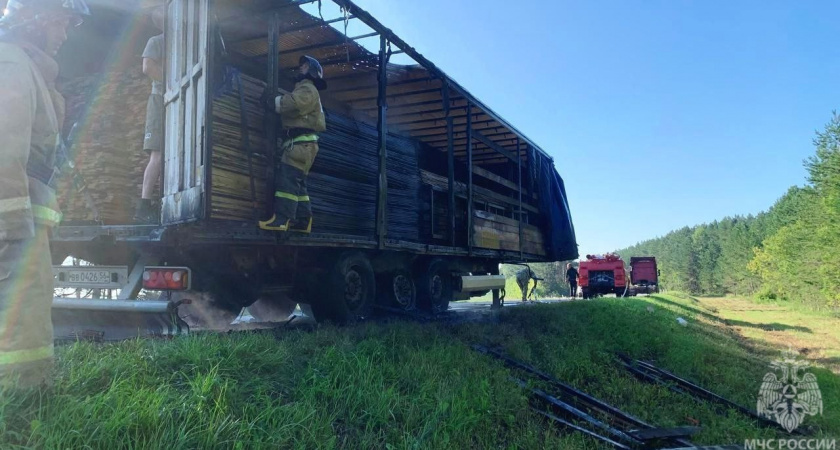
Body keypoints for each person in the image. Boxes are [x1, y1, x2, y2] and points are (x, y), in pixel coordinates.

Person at [0, 0, 90, 388]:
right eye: (61, 24)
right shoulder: (13, 63)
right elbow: (5, 145)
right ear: (35, 21)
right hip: (15, 219)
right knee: (24, 314)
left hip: (25, 215)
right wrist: (9, 220)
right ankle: (24, 397)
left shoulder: (26, 67)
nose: (65, 35)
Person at [259, 55, 327, 232]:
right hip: (304, 146)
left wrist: (272, 101)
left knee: (287, 183)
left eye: (304, 66)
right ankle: (304, 222)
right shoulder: (307, 89)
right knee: (299, 185)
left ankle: (281, 220)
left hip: (299, 145)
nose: (300, 68)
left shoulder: (308, 89)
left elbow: (293, 104)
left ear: (312, 71)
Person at [134, 4, 165, 223]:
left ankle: (163, 201)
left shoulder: (183, 44)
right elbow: (147, 67)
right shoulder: (156, 41)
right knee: (158, 154)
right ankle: (144, 206)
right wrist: (171, 83)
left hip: (177, 102)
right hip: (160, 100)